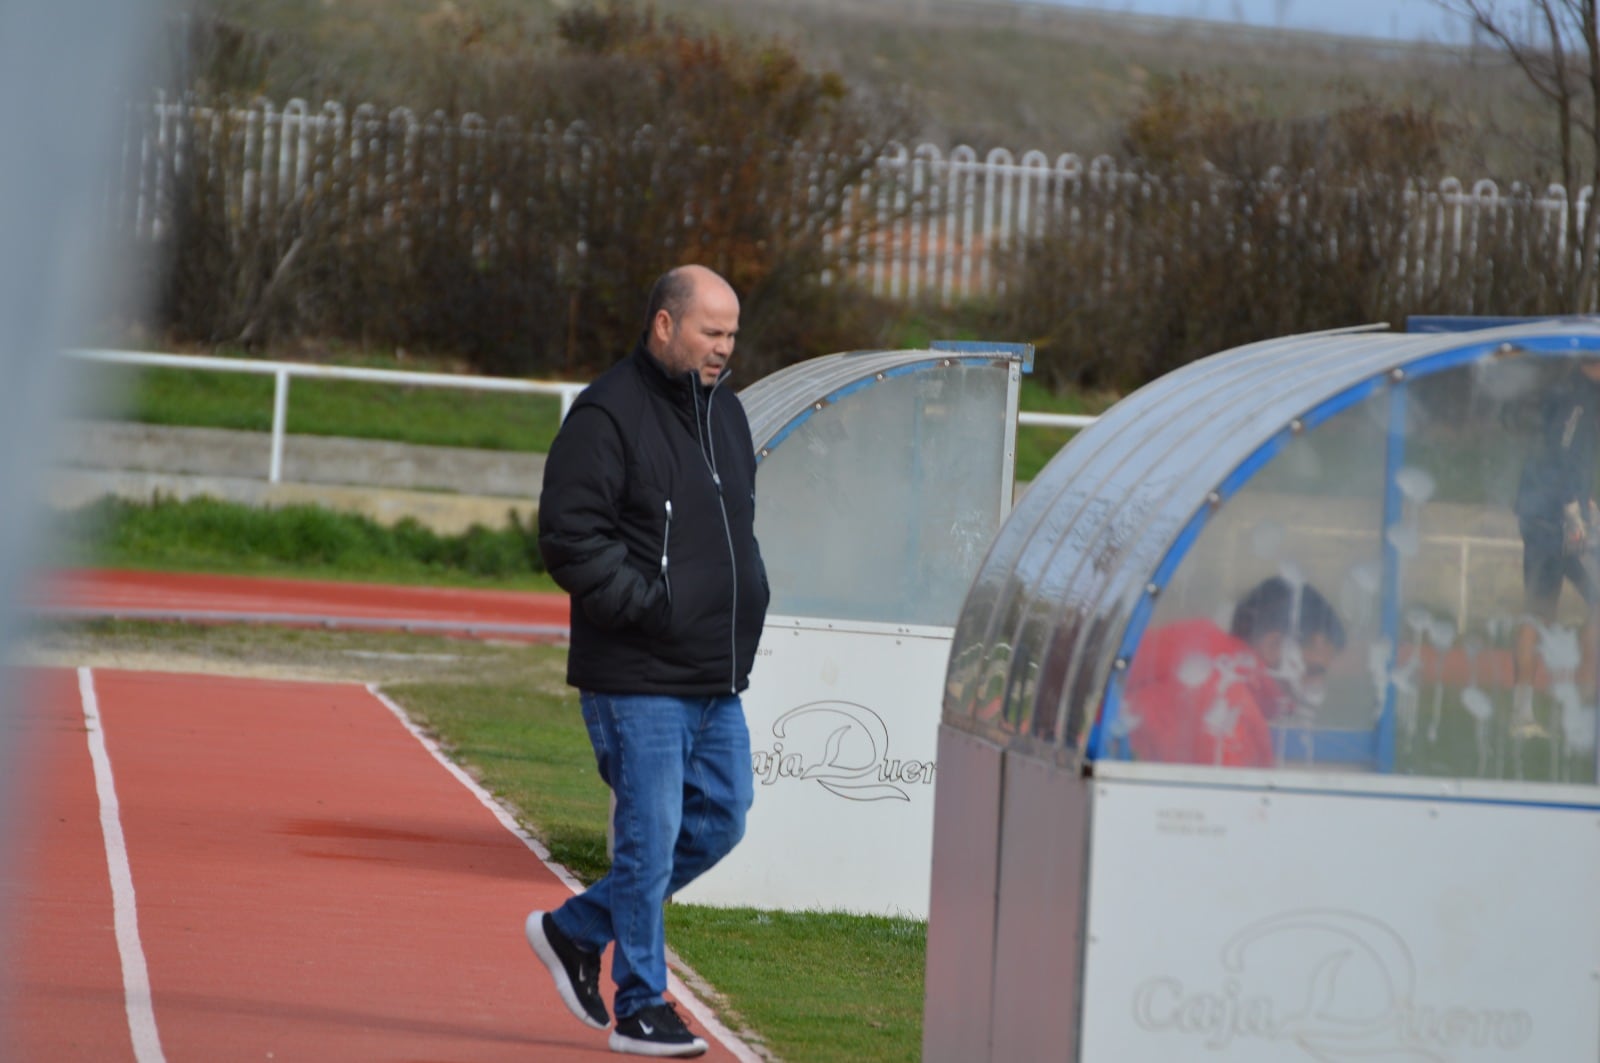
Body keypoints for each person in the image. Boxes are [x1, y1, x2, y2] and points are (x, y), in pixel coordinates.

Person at [526, 264, 769, 1058]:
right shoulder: (605, 413)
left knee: (722, 819)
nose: (723, 348)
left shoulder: (727, 413)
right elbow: (570, 537)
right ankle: (640, 1002)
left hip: (713, 674)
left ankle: (575, 929)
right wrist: (649, 607)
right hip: (636, 674)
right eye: (710, 331)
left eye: (731, 333)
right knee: (650, 836)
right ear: (664, 324)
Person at [1122, 576, 1346, 768]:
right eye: (1313, 670)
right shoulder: (1230, 707)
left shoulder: (1199, 659)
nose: (1316, 685)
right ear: (1273, 646)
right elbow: (1228, 809)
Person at [1511, 357, 1600, 737]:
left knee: (1539, 615)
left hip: (1550, 515)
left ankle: (1539, 710)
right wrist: (1572, 509)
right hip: (1554, 522)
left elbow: (1568, 457)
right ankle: (1577, 702)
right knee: (1538, 615)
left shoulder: (1574, 394)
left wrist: (1586, 500)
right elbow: (1561, 455)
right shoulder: (1577, 398)